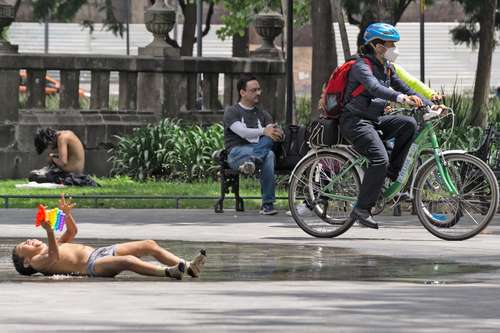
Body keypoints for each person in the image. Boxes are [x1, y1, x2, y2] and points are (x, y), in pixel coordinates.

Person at [340, 22, 437, 229]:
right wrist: (400, 98)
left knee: (408, 124)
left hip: (373, 120)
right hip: (355, 121)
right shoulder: (361, 66)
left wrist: (433, 104)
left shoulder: (386, 68)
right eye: (391, 43)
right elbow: (374, 88)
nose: (395, 48)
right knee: (379, 158)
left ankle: (392, 177)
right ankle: (361, 208)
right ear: (377, 45)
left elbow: (408, 88)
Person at [12, 194, 207, 279]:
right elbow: (53, 257)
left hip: (100, 252)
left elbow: (72, 232)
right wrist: (49, 230)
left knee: (149, 244)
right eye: (24, 246)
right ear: (27, 262)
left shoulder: (50, 245)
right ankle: (167, 272)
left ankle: (189, 267)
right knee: (128, 260)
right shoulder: (38, 262)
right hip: (92, 266)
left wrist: (66, 215)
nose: (28, 240)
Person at [223, 75, 284, 215]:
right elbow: (242, 132)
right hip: (237, 154)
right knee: (267, 148)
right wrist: (264, 130)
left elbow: (272, 133)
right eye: (253, 90)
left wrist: (277, 132)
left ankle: (267, 204)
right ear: (242, 92)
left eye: (259, 89)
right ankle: (268, 204)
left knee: (269, 152)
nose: (258, 93)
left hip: (255, 156)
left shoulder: (263, 113)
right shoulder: (232, 111)